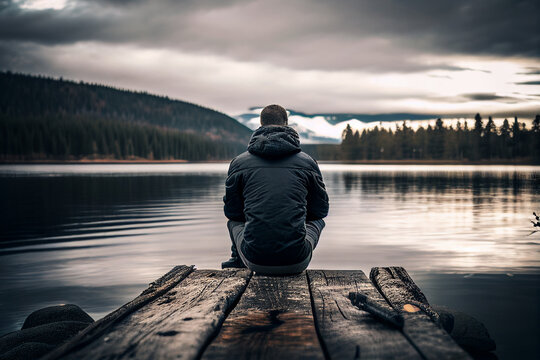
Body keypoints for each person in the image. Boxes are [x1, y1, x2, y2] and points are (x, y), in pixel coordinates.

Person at [222, 104, 329, 275]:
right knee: (317, 220)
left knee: (234, 222)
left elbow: (233, 212)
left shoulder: (239, 163)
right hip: (297, 261)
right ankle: (292, 246)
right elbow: (320, 210)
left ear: (260, 124)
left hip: (254, 261)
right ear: (286, 124)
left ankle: (237, 262)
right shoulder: (308, 162)